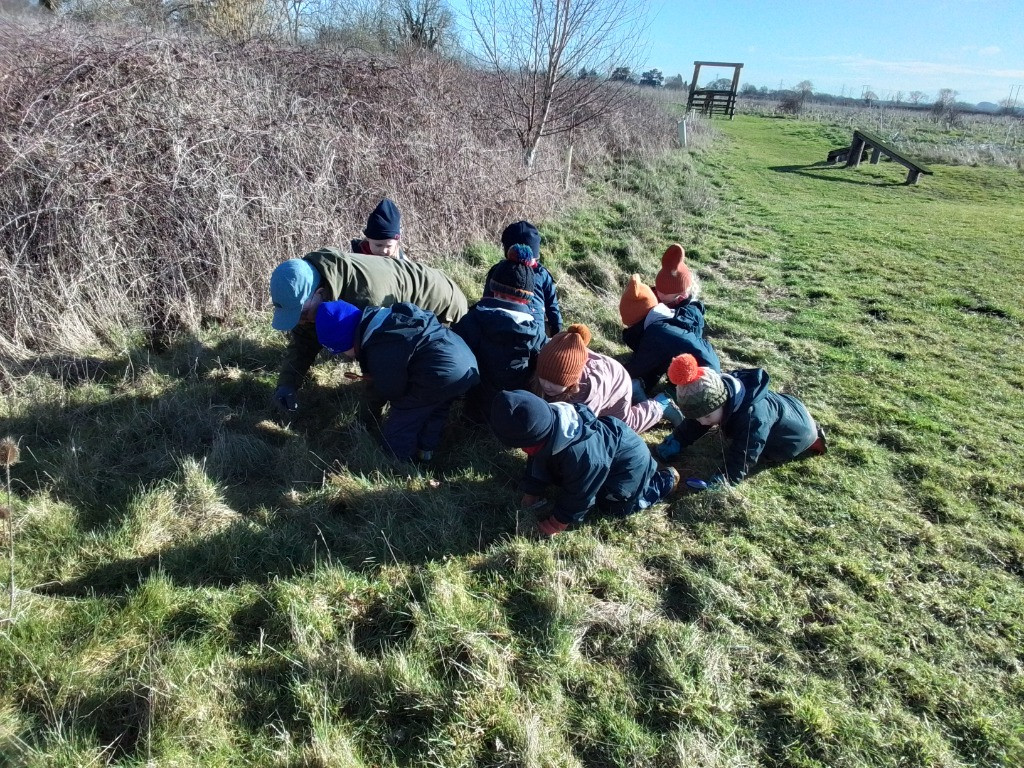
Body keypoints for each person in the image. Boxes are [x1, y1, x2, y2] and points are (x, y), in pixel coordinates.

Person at [269, 248, 468, 412]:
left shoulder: (365, 300)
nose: (301, 322)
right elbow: (304, 341)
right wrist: (287, 385)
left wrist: (366, 420)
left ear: (320, 293)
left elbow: (382, 364)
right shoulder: (309, 284)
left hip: (444, 306)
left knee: (439, 375)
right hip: (411, 301)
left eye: (302, 315)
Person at [489, 390, 679, 536]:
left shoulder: (583, 457)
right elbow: (538, 462)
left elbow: (581, 493)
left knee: (614, 506)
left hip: (629, 468)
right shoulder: (544, 424)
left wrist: (558, 522)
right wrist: (532, 491)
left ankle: (663, 481)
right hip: (604, 455)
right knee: (558, 469)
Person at [315, 299, 479, 463]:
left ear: (349, 339)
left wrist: (375, 397)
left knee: (403, 421)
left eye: (344, 351)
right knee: (435, 408)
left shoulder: (380, 347)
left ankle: (399, 464)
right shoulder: (386, 320)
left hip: (440, 373)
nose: (346, 356)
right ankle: (426, 452)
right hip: (465, 362)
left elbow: (391, 390)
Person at [654, 353, 827, 486]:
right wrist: (677, 440)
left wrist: (726, 479)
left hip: (793, 438)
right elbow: (698, 419)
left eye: (707, 416)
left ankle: (814, 440)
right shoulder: (719, 392)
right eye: (697, 417)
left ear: (724, 402)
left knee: (761, 447)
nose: (702, 422)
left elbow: (745, 453)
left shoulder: (752, 418)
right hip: (792, 408)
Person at [532, 324, 682, 433]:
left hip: (616, 384)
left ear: (572, 380)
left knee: (620, 429)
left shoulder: (589, 388)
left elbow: (581, 426)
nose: (547, 385)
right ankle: (636, 387)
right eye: (543, 378)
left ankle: (660, 405)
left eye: (556, 383)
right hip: (597, 378)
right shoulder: (552, 353)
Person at [619, 244, 721, 398]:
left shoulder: (682, 320)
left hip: (699, 375)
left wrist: (616, 374)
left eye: (662, 296)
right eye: (657, 293)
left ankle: (669, 394)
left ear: (679, 298)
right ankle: (646, 383)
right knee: (657, 356)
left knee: (667, 374)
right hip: (675, 351)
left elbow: (646, 359)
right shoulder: (665, 309)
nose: (657, 297)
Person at [452, 259, 546, 423]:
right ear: (526, 300)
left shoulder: (473, 319)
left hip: (476, 404)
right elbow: (545, 357)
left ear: (494, 291)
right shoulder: (535, 331)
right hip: (515, 406)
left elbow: (454, 350)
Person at [484, 221, 562, 336]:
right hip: (509, 331)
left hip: (530, 332)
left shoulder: (541, 274)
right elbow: (487, 301)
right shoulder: (498, 272)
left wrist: (557, 329)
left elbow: (552, 306)